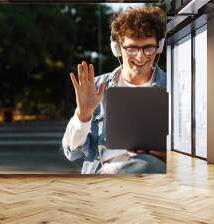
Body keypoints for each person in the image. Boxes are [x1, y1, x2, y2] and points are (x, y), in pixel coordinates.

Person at [62, 6, 167, 174]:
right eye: (132, 48)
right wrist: (83, 114)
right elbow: (72, 152)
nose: (141, 57)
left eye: (148, 48)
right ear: (118, 48)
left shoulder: (174, 89)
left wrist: (164, 153)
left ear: (159, 47)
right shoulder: (96, 87)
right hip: (104, 178)